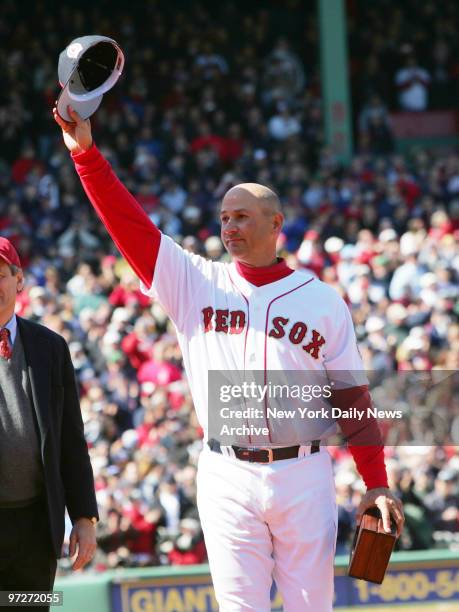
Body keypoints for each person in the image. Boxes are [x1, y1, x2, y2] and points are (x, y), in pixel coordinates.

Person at [54, 106, 404, 611]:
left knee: (313, 607)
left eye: (242, 216)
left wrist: (377, 484)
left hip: (304, 474)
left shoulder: (323, 300)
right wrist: (85, 154)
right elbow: (129, 225)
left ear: (276, 223)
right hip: (226, 471)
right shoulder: (197, 282)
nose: (230, 226)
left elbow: (353, 399)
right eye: (224, 218)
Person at [0, 236, 98, 606]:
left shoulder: (49, 347)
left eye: (0, 275)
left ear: (19, 279)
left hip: (35, 529)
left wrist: (85, 517)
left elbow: (71, 439)